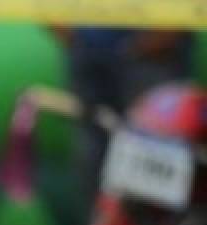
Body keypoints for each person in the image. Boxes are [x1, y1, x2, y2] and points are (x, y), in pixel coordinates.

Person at [50, 26, 196, 207]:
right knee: (93, 157)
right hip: (88, 47)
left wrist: (169, 29)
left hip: (156, 49)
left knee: (156, 154)